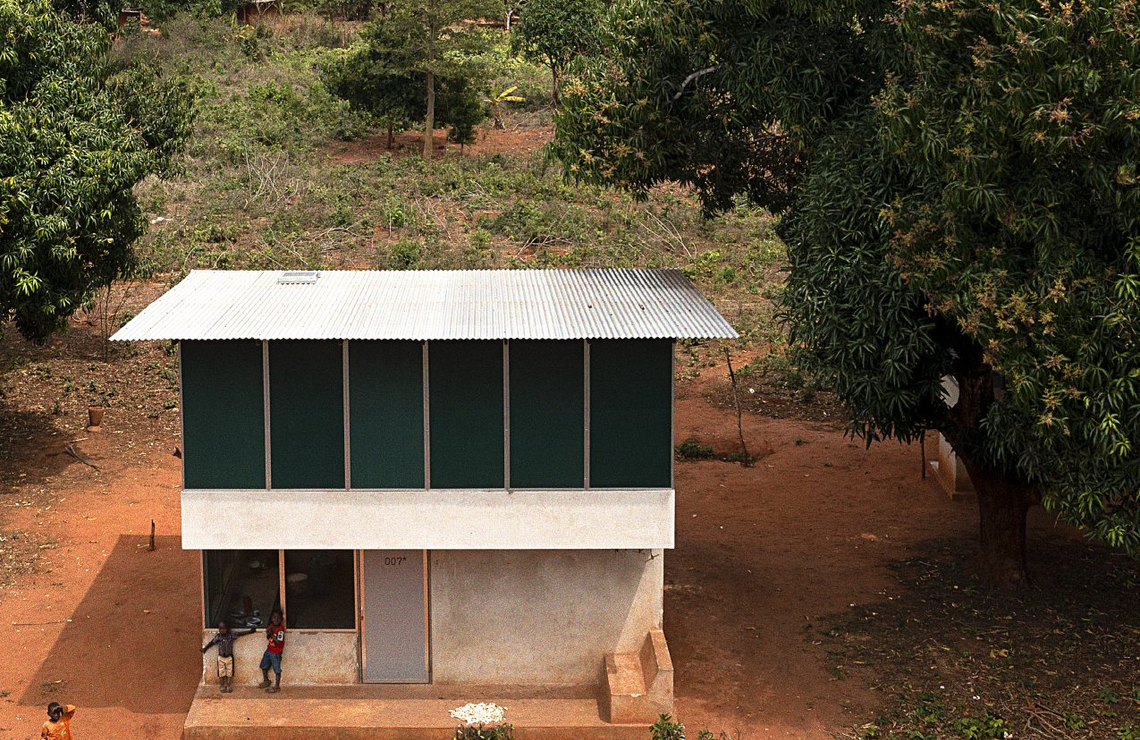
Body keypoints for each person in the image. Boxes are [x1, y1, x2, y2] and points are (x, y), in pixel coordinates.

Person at [201, 620, 256, 694]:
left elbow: (240, 634)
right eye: (220, 629)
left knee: (229, 673)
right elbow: (211, 642)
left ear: (228, 629)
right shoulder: (218, 637)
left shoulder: (231, 635)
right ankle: (222, 685)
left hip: (229, 658)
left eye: (224, 629)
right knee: (221, 672)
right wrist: (205, 648)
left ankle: (229, 685)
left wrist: (249, 631)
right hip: (220, 658)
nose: (222, 630)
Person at [257, 609, 285, 694]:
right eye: (274, 617)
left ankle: (277, 686)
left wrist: (272, 633)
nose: (276, 620)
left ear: (281, 619)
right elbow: (267, 636)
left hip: (276, 652)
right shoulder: (271, 626)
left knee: (277, 669)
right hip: (269, 650)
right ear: (271, 619)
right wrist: (269, 632)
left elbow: (279, 642)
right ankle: (266, 680)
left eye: (278, 618)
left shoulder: (280, 630)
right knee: (263, 666)